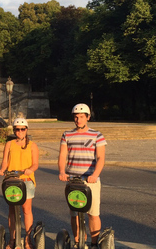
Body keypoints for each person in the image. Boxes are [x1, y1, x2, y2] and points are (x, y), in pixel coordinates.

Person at [58, 103, 106, 249]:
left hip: (90, 181)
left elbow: (100, 158)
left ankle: (93, 244)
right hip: (72, 180)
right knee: (75, 214)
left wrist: (95, 175)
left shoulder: (97, 135)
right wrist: (62, 171)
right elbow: (62, 156)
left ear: (88, 117)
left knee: (92, 214)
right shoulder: (67, 134)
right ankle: (79, 242)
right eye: (76, 117)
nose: (78, 120)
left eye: (81, 117)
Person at [0, 118, 39, 249]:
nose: (20, 132)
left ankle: (27, 239)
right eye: (17, 129)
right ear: (14, 130)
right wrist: (2, 170)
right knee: (12, 211)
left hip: (26, 180)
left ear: (26, 130)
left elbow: (35, 163)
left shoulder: (32, 145)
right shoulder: (9, 144)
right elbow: (5, 161)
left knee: (26, 210)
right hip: (12, 180)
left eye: (22, 129)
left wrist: (30, 170)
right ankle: (12, 239)